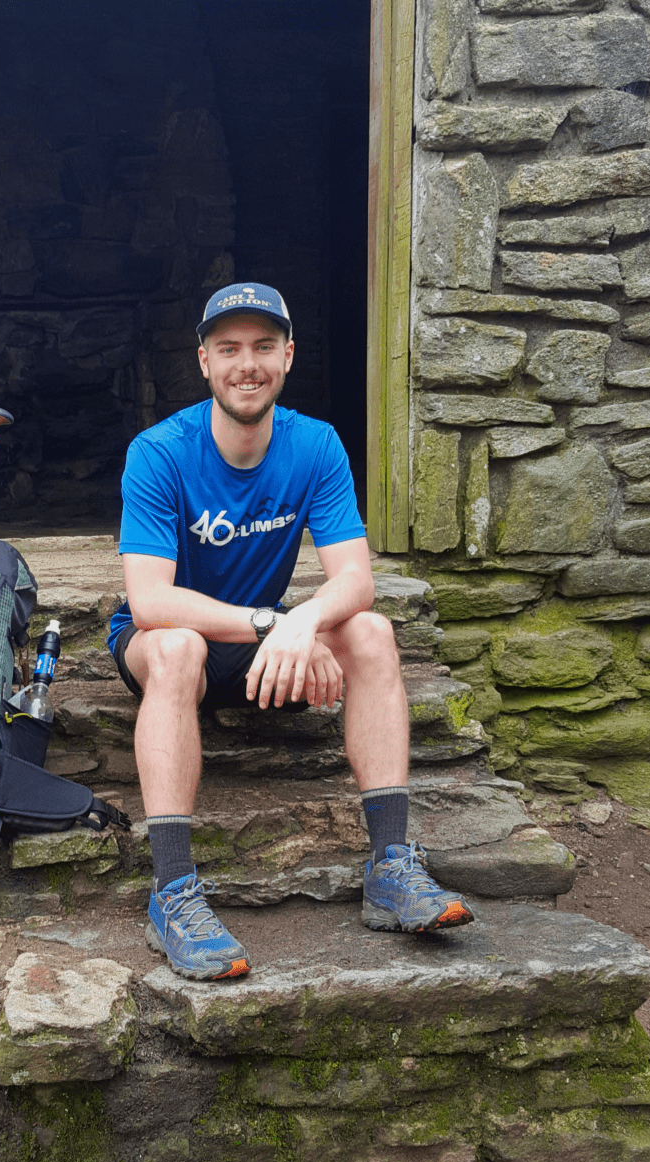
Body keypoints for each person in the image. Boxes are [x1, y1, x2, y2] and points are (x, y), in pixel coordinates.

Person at [107, 282, 473, 981]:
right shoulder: (160, 452)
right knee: (180, 644)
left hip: (263, 652)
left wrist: (304, 622)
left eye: (264, 348)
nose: (249, 364)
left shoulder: (316, 445)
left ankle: (391, 866)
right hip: (166, 649)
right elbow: (151, 601)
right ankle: (173, 892)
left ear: (288, 356)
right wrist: (275, 621)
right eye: (230, 349)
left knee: (368, 632)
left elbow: (356, 580)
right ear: (205, 361)